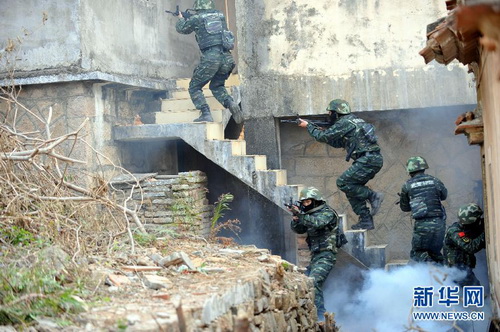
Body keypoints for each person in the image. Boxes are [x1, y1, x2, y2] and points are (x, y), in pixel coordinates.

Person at [297, 99, 384, 230]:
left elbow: (322, 137)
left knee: (343, 183)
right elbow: (340, 143)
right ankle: (366, 219)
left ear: (336, 113)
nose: (329, 114)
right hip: (372, 159)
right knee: (350, 189)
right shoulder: (354, 120)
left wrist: (309, 126)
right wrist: (323, 132)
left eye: (330, 112)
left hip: (367, 159)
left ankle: (373, 195)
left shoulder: (344, 122)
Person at [175, 0, 243, 124]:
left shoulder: (197, 18)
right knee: (216, 86)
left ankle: (205, 113)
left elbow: (182, 29)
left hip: (211, 58)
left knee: (194, 87)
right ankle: (230, 102)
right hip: (227, 58)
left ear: (198, 7)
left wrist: (180, 18)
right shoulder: (220, 15)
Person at [288, 187, 338, 321]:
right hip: (315, 256)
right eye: (303, 203)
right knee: (304, 282)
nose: (305, 204)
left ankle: (321, 316)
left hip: (327, 255)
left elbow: (318, 223)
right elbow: (299, 230)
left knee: (314, 281)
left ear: (316, 200)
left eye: (308, 201)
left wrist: (301, 215)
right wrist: (295, 219)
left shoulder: (327, 213)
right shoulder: (307, 216)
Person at [399, 156, 447, 263]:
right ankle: (443, 276)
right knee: (436, 254)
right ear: (424, 168)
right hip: (439, 224)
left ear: (410, 170)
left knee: (417, 253)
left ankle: (430, 267)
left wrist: (412, 200)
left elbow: (404, 208)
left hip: (422, 226)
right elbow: (444, 196)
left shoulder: (407, 186)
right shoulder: (435, 181)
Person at [444, 203, 485, 287]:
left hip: (462, 270)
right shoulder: (455, 232)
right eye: (478, 219)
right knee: (474, 292)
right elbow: (470, 247)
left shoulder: (467, 228)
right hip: (456, 272)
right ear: (472, 221)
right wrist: (485, 233)